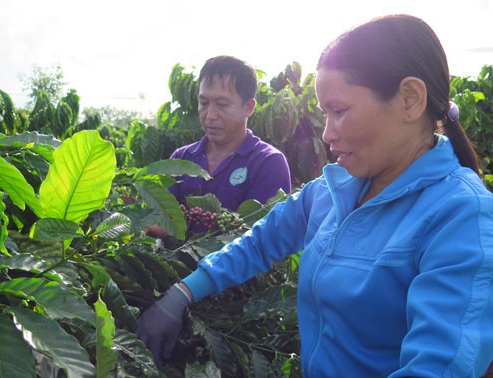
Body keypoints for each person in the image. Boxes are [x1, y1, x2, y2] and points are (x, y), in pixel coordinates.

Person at [136, 14, 493, 376]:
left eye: (339, 112)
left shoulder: (461, 216)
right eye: (326, 113)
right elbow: (260, 241)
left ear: (409, 100)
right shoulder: (333, 189)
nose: (327, 134)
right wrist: (182, 293)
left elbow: (439, 366)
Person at [145, 55, 291, 238]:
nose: (210, 115)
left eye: (222, 104)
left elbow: (261, 239)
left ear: (249, 107)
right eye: (204, 103)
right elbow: (165, 222)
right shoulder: (181, 159)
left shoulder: (268, 163)